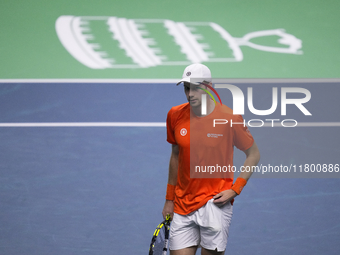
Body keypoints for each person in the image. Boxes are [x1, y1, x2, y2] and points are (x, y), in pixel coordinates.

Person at [162, 63, 260, 255]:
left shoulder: (229, 118)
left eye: (195, 88)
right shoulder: (174, 115)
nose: (190, 94)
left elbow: (253, 154)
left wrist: (236, 189)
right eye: (186, 88)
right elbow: (175, 156)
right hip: (182, 204)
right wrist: (169, 198)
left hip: (215, 203)